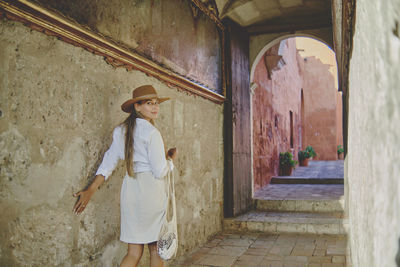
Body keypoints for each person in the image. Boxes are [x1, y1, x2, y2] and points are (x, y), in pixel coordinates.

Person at [73, 85, 178, 267]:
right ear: (137, 107)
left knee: (133, 251)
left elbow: (109, 162)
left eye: (156, 103)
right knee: (156, 250)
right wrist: (170, 160)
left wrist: (91, 189)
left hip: (131, 191)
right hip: (151, 192)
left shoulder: (120, 131)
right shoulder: (153, 133)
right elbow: (160, 171)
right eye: (148, 103)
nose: (155, 107)